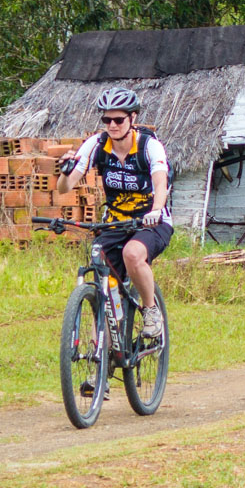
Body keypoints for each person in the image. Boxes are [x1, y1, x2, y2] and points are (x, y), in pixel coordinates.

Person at [59, 86, 173, 345]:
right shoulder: (97, 145)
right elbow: (64, 187)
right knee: (104, 280)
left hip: (151, 221)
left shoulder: (149, 146)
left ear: (132, 118)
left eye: (119, 119)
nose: (112, 125)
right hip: (115, 222)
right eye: (106, 119)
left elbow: (160, 182)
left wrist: (156, 210)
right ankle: (101, 353)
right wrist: (65, 173)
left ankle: (150, 310)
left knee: (132, 254)